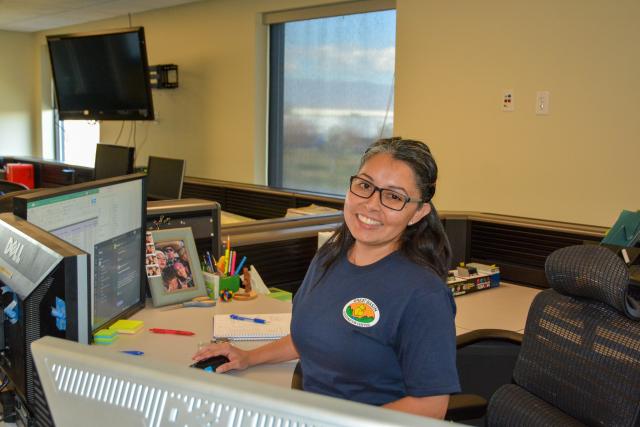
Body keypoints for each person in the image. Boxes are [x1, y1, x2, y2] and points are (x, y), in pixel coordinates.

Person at [192, 137, 459, 419]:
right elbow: (310, 336)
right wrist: (248, 356)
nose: (370, 205)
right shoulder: (329, 257)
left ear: (418, 212)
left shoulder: (423, 294)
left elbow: (430, 408)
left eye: (393, 197)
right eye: (365, 186)